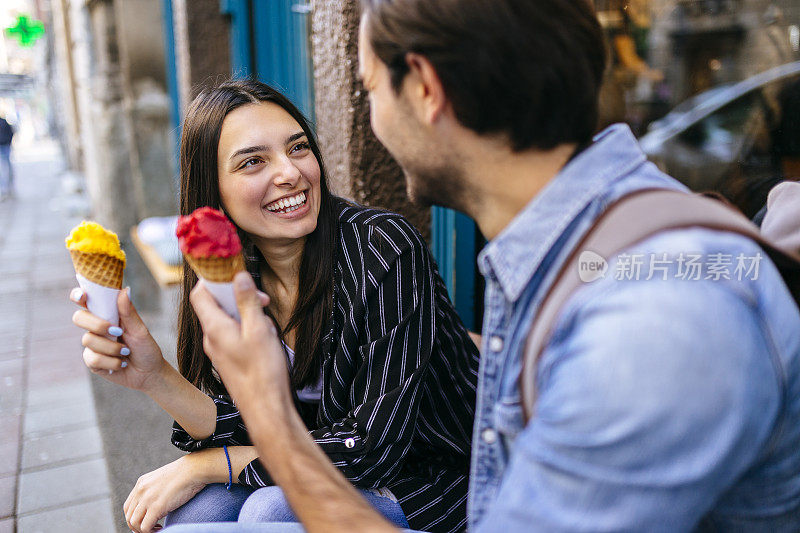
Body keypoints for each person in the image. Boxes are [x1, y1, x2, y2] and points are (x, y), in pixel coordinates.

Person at [169, 0, 800, 532]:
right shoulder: (557, 248)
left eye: (367, 89)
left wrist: (270, 414)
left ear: (423, 88)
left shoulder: (650, 321)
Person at [70, 79, 479, 533]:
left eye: (298, 147)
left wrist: (206, 466)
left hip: (433, 484)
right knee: (193, 513)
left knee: (267, 511)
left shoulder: (383, 249)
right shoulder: (228, 277)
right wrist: (155, 376)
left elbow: (370, 452)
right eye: (253, 162)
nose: (290, 173)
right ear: (214, 189)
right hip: (313, 468)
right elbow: (244, 421)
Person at [0, 114, 14, 201]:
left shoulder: (4, 122)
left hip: (5, 146)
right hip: (3, 146)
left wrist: (8, 142)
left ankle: (9, 185)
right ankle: (4, 188)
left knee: (8, 166)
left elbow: (11, 132)